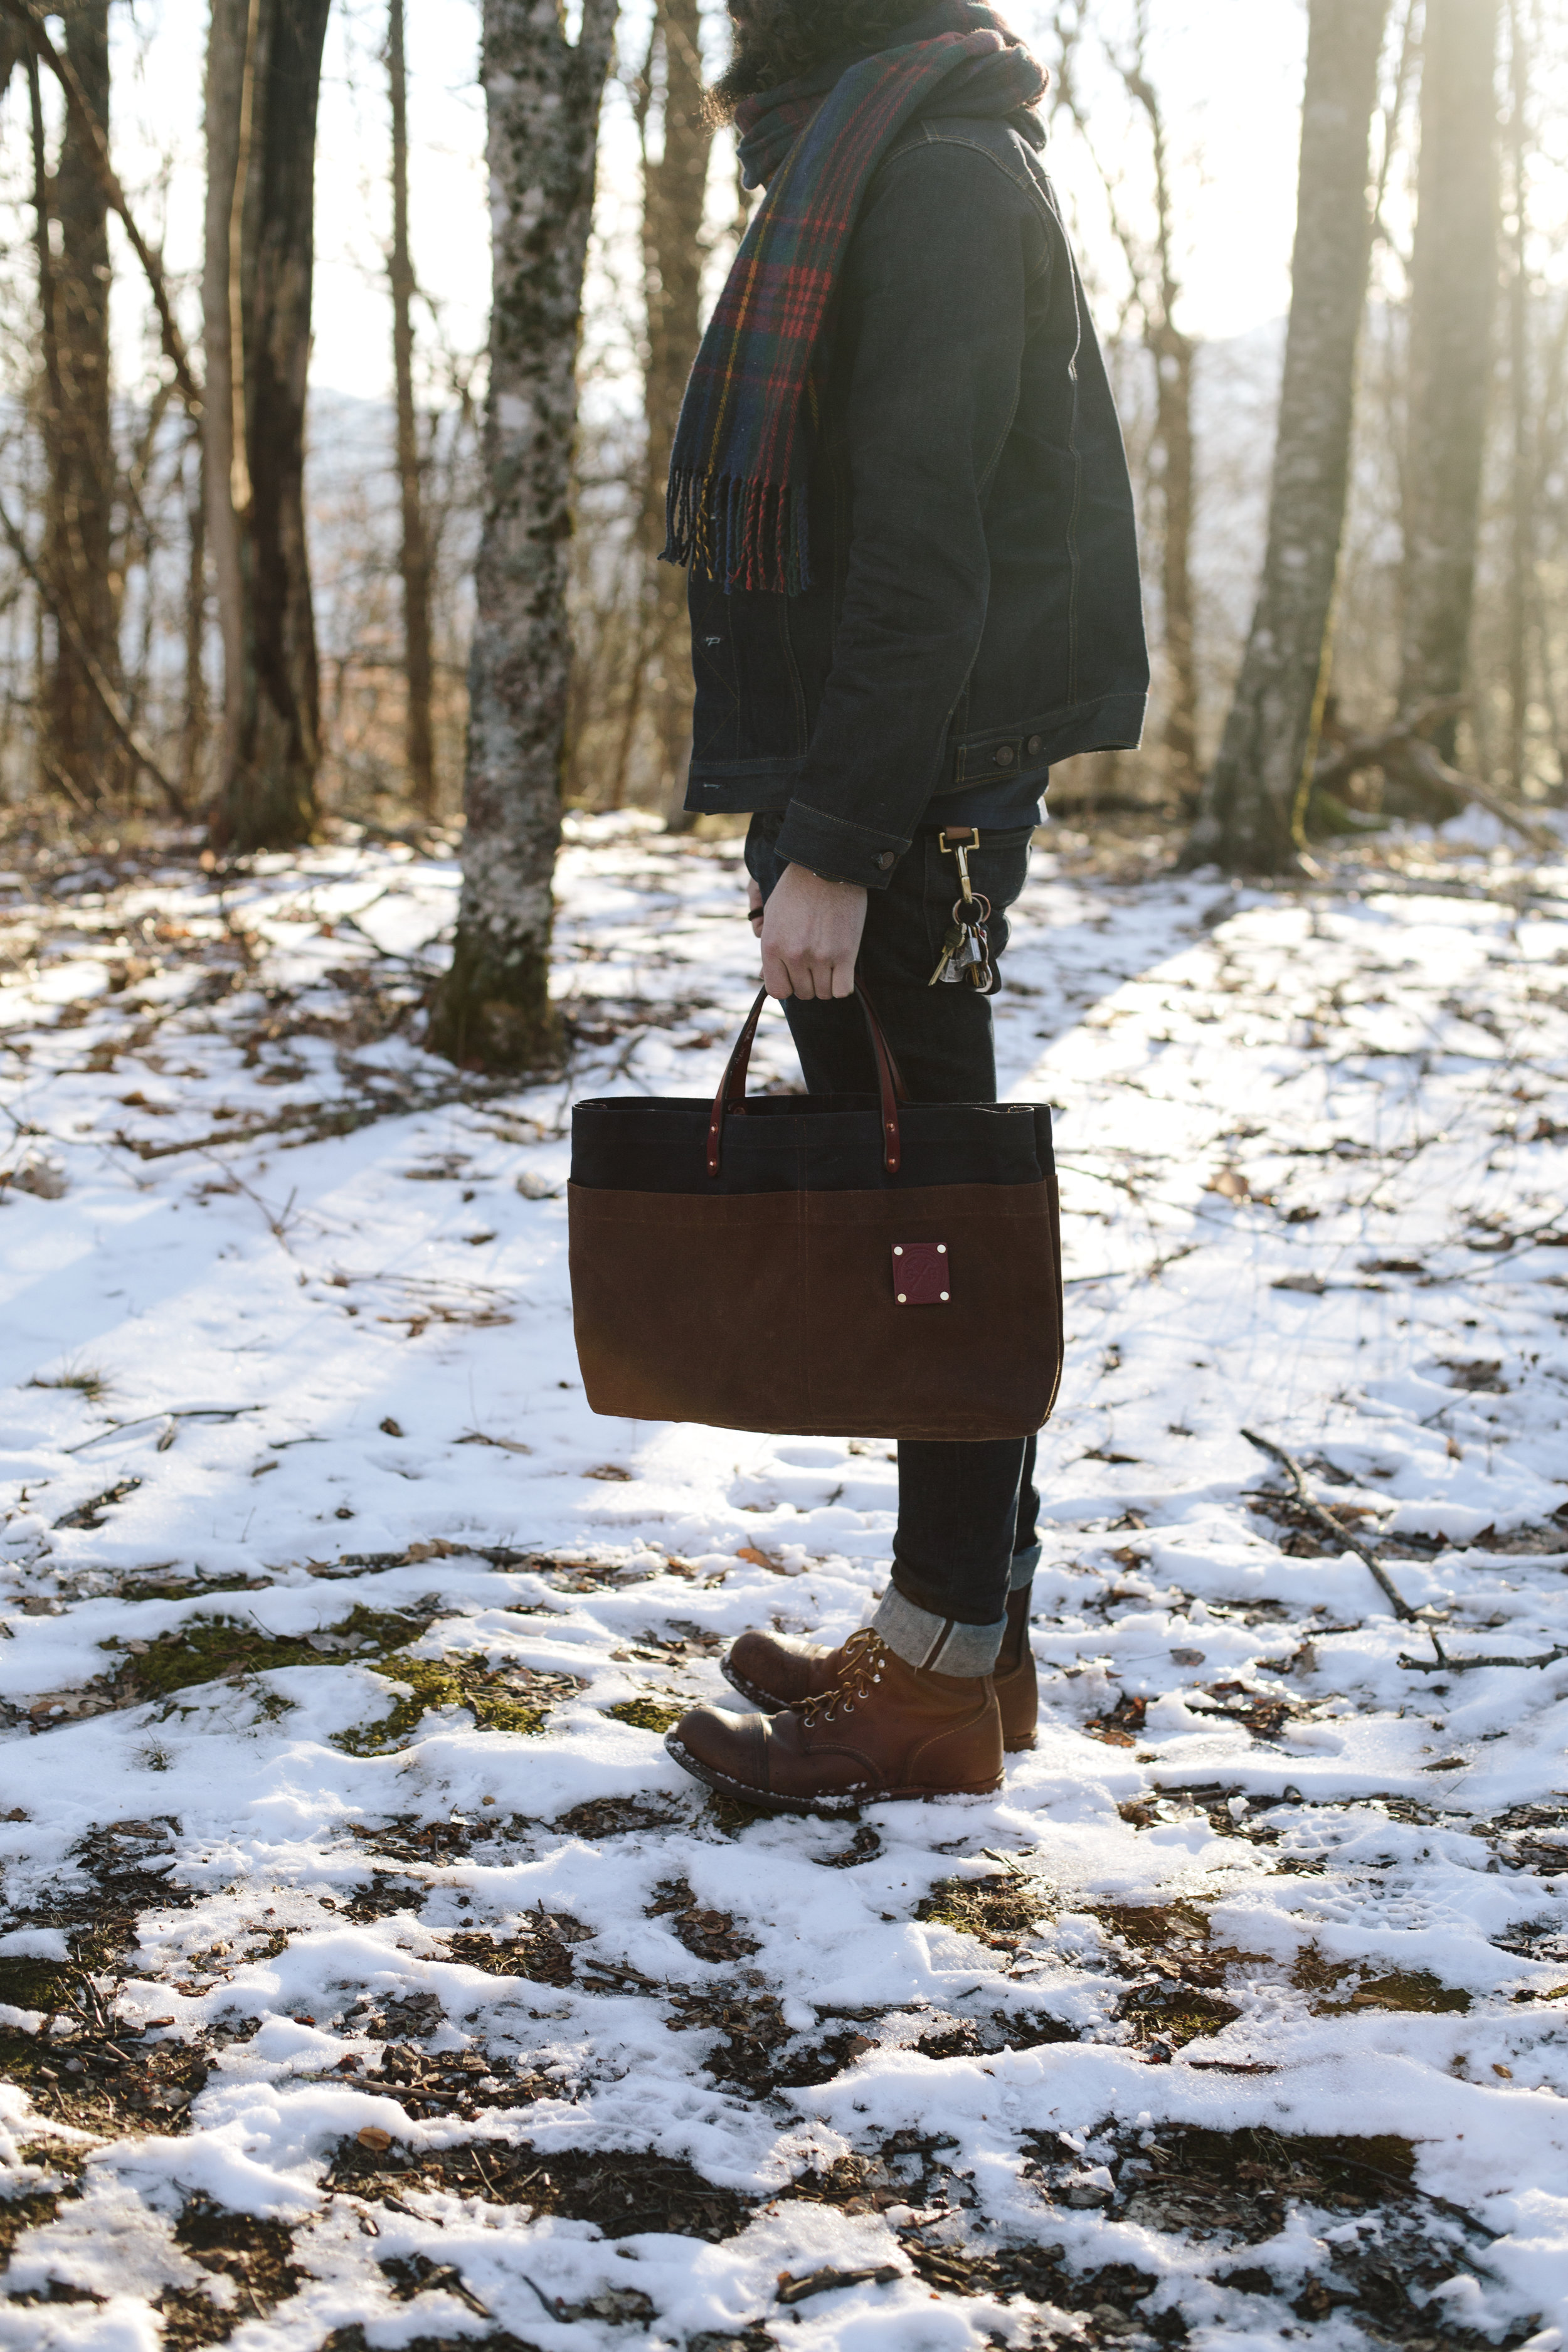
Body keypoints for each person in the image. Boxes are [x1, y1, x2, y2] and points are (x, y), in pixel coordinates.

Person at [662, 0, 1148, 1813]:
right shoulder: (896, 151)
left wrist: (840, 838)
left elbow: (924, 548)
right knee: (922, 1207)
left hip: (905, 792)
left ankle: (937, 1673)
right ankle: (962, 1634)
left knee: (929, 1228)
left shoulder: (928, 173)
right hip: (890, 773)